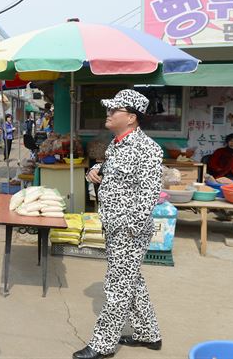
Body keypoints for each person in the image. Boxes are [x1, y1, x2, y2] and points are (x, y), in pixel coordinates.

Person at [75, 89, 163, 359]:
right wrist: (97, 172)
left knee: (116, 287)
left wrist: (128, 229)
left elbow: (148, 196)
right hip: (113, 225)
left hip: (128, 230)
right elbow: (116, 174)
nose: (108, 113)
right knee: (130, 280)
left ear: (131, 118)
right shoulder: (117, 143)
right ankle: (148, 334)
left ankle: (102, 345)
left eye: (114, 110)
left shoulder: (148, 149)